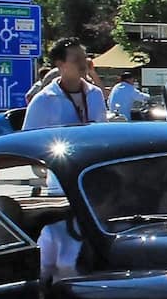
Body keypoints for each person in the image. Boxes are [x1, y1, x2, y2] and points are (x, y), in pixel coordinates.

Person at [23, 39, 107, 283]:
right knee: (57, 249)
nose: (84, 64)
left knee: (85, 245)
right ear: (60, 64)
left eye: (85, 58)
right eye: (77, 59)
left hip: (92, 183)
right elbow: (29, 146)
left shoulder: (94, 95)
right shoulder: (44, 100)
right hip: (60, 186)